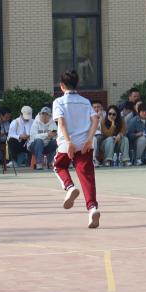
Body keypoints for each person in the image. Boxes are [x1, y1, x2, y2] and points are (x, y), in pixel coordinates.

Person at [52, 69, 101, 229]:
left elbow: (61, 122)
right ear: (77, 84)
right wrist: (89, 138)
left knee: (58, 166)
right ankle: (92, 208)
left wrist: (68, 141)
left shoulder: (59, 102)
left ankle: (70, 187)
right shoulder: (85, 101)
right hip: (85, 144)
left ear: (62, 86)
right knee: (87, 177)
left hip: (67, 144)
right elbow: (95, 119)